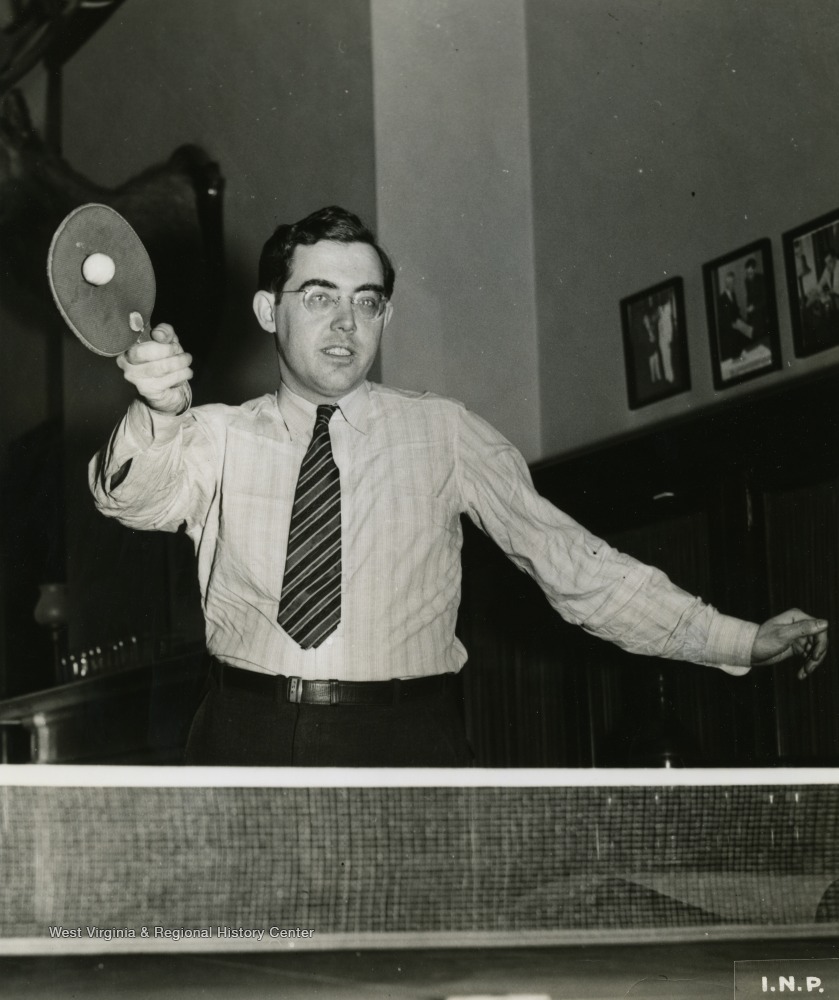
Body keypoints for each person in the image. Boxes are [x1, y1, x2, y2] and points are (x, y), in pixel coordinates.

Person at [89, 206, 829, 767]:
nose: (345, 323)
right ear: (267, 310)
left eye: (366, 301)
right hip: (241, 738)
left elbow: (575, 566)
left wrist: (737, 638)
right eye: (317, 296)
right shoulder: (211, 435)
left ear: (386, 314)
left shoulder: (445, 432)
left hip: (408, 741)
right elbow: (130, 498)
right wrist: (158, 411)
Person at [717, 270, 753, 361]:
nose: (733, 284)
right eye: (732, 282)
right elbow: (722, 318)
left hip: (737, 325)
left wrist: (742, 320)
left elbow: (736, 311)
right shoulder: (721, 299)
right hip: (729, 330)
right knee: (734, 353)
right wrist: (732, 325)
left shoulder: (733, 294)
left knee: (749, 332)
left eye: (734, 282)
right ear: (727, 284)